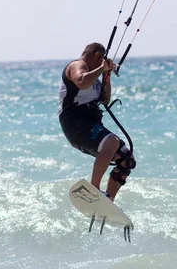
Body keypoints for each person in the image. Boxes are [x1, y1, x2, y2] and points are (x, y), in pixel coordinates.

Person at [58, 42, 136, 202]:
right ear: (97, 56)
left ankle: (107, 201)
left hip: (90, 124)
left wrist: (106, 76)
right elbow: (80, 81)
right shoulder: (77, 65)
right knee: (112, 142)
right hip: (75, 123)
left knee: (126, 160)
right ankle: (94, 189)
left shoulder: (94, 80)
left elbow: (105, 99)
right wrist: (101, 68)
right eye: (101, 61)